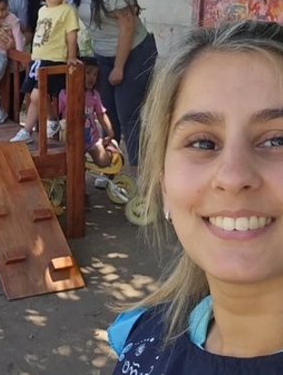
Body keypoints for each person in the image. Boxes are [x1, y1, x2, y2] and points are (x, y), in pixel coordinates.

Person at [107, 21, 283, 373]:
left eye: (277, 141)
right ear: (165, 187)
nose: (233, 177)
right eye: (203, 143)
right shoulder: (142, 342)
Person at [72, 0, 157, 169]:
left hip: (134, 53)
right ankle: (111, 166)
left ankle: (142, 174)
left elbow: (127, 28)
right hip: (104, 57)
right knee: (107, 115)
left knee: (128, 113)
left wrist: (119, 67)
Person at [11, 0, 80, 143]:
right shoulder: (42, 11)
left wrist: (71, 56)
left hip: (55, 59)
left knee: (36, 96)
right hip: (38, 59)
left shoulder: (67, 11)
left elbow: (72, 35)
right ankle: (49, 121)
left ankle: (29, 130)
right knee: (35, 96)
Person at [57, 57, 114, 168]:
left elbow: (101, 115)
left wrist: (110, 133)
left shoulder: (94, 95)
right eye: (88, 73)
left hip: (91, 138)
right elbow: (57, 116)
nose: (91, 77)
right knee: (72, 165)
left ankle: (112, 149)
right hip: (71, 140)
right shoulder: (64, 94)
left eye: (95, 74)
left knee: (104, 162)